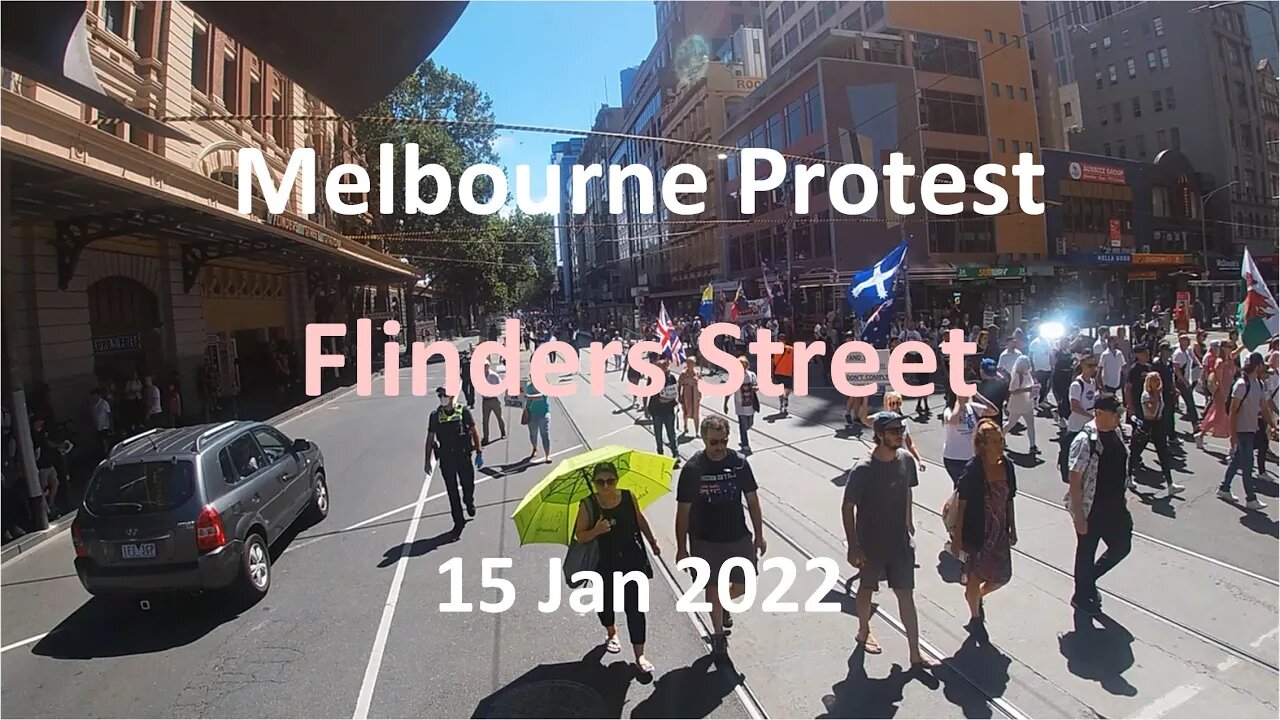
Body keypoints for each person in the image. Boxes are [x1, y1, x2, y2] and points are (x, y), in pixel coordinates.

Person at [842, 411, 939, 668]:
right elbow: (847, 506)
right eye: (894, 431)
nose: (900, 434)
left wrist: (909, 521)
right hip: (870, 544)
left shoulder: (906, 460)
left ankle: (915, 654)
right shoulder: (863, 470)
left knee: (905, 595)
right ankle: (863, 629)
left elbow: (907, 491)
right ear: (880, 435)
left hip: (899, 542)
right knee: (866, 587)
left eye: (901, 430)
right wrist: (853, 545)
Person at [676, 416, 766, 658]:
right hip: (705, 540)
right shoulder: (693, 469)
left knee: (744, 585)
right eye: (714, 442)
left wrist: (759, 535)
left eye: (724, 441)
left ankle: (723, 605)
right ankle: (717, 636)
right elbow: (683, 511)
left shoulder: (738, 463)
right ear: (704, 439)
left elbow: (753, 501)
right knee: (713, 587)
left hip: (737, 535)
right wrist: (681, 548)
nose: (720, 447)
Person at [574, 461, 660, 675]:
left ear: (616, 481)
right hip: (604, 563)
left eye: (610, 481)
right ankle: (612, 633)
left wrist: (653, 541)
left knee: (635, 608)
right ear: (594, 483)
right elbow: (580, 536)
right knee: (605, 604)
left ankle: (639, 655)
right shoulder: (588, 504)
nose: (605, 486)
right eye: (600, 482)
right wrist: (596, 530)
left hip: (632, 560)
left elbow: (639, 519)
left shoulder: (628, 496)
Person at [1067, 395, 1131, 616]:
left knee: (1122, 546)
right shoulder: (1085, 440)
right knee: (1086, 551)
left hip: (1115, 505)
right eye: (1115, 414)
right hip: (1091, 507)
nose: (1118, 418)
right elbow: (1075, 479)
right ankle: (1081, 596)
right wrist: (1079, 516)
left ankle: (1088, 580)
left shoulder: (1117, 432)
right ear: (1099, 413)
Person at [952, 419, 1017, 639]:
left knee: (1002, 576)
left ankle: (978, 596)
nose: (1001, 444)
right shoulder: (974, 469)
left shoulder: (1007, 465)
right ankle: (975, 617)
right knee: (974, 576)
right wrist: (958, 538)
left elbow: (1010, 498)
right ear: (983, 444)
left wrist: (1012, 527)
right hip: (976, 531)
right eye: (995, 441)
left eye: (1001, 439)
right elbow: (962, 503)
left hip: (999, 531)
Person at [1218, 353, 1275, 511]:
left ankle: (1224, 488)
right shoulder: (1242, 385)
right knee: (1247, 465)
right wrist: (1233, 435)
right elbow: (1233, 410)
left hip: (1252, 429)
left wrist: (1273, 424)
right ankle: (1251, 498)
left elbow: (1263, 407)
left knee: (1238, 461)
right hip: (1242, 430)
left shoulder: (1258, 384)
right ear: (1257, 366)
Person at [424, 387, 483, 538]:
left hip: (463, 456)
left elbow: (474, 431)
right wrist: (427, 460)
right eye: (440, 395)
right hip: (446, 458)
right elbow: (430, 439)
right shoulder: (435, 415)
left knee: (468, 485)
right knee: (452, 491)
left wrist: (479, 451)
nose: (442, 398)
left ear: (451, 396)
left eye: (444, 395)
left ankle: (469, 501)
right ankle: (458, 521)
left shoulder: (463, 411)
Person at [1129, 372, 1185, 497]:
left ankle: (1170, 484)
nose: (1158, 382)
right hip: (1148, 424)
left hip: (1158, 425)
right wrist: (1156, 395)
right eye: (1154, 380)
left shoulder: (1158, 394)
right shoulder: (1146, 395)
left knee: (1163, 454)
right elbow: (1152, 411)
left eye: (1158, 379)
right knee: (1136, 452)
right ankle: (1128, 478)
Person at [942, 384, 1000, 485]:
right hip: (954, 459)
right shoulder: (948, 411)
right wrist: (959, 403)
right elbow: (953, 421)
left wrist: (977, 395)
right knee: (962, 487)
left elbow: (994, 411)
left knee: (972, 487)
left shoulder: (972, 407)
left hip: (971, 457)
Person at [1060, 353, 1100, 483]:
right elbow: (1075, 406)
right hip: (1077, 426)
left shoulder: (1093, 382)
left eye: (1095, 366)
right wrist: (1091, 415)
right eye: (1090, 366)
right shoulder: (1077, 384)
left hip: (1089, 426)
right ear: (1082, 365)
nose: (1093, 369)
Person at [1196, 341, 1234, 449]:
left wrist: (1245, 344)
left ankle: (1201, 434)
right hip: (1221, 393)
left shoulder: (1229, 359)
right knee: (1219, 416)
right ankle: (1201, 434)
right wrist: (1223, 394)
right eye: (1229, 347)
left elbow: (1237, 351)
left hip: (1228, 391)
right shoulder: (1220, 362)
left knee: (1220, 415)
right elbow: (1219, 380)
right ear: (1223, 348)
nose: (1231, 349)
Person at [723, 356, 758, 454]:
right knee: (743, 426)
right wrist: (725, 404)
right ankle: (745, 444)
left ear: (746, 365)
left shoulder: (751, 375)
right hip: (740, 406)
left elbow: (757, 385)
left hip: (751, 405)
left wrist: (756, 388)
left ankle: (743, 437)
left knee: (749, 424)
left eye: (743, 365)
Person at [1005, 356, 1040, 454]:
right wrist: (1028, 389)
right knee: (1011, 423)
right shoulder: (1017, 376)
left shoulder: (1028, 374)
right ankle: (1001, 435)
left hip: (1028, 404)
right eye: (1026, 362)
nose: (1028, 364)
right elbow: (1012, 391)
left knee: (1031, 426)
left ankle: (1033, 446)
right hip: (1017, 404)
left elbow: (1030, 386)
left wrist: (1035, 389)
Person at [648, 357, 680, 465]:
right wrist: (646, 408)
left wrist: (668, 400)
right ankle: (660, 454)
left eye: (663, 367)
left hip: (669, 410)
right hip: (656, 411)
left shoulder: (671, 378)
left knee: (671, 433)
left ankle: (676, 455)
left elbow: (674, 393)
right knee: (658, 434)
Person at [1171, 334, 1200, 431]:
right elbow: (1177, 369)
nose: (1187, 342)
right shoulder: (1178, 353)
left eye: (1188, 340)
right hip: (1180, 382)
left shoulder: (1187, 351)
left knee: (1184, 402)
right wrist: (1184, 381)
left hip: (1186, 380)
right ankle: (1195, 424)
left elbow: (1193, 359)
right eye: (1185, 340)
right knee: (1189, 402)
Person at [523, 376, 552, 463]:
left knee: (545, 435)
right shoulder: (528, 388)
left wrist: (528, 396)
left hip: (543, 414)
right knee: (533, 434)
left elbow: (541, 396)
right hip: (532, 415)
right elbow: (525, 401)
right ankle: (535, 448)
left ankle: (547, 455)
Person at [480, 360, 506, 445]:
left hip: (494, 399)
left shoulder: (494, 375)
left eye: (485, 366)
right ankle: (486, 438)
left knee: (499, 417)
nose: (484, 368)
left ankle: (503, 432)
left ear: (488, 366)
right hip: (485, 401)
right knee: (485, 420)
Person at [977, 359, 1009, 426]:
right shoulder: (1002, 385)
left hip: (982, 423)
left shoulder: (977, 387)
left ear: (982, 371)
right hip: (997, 422)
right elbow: (1006, 380)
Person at [1028, 329, 1054, 409]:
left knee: (1046, 385)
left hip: (1047, 368)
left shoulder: (1048, 342)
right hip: (1038, 368)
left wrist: (1052, 365)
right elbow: (1030, 356)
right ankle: (1035, 401)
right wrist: (1032, 367)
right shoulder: (1034, 343)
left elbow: (1050, 354)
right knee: (1038, 386)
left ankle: (1042, 400)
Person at [678, 356, 701, 436]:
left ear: (694, 364)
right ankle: (685, 426)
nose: (689, 364)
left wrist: (700, 394)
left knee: (696, 414)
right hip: (686, 395)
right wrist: (679, 395)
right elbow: (679, 385)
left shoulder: (697, 373)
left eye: (691, 363)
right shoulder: (683, 373)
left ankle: (697, 432)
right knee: (685, 412)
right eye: (688, 363)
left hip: (695, 396)